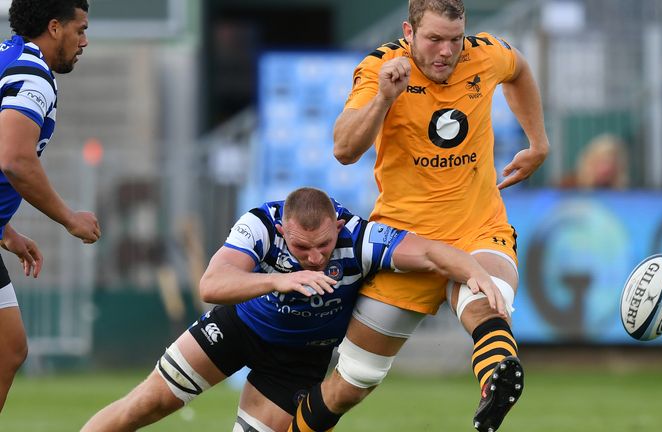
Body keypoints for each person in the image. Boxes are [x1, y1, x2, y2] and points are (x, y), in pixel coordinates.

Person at [290, 1, 549, 431]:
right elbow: (343, 150)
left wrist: (538, 142)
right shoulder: (382, 68)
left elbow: (518, 69)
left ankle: (495, 386)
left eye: (455, 38)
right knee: (351, 383)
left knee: (485, 301)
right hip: (404, 245)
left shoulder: (484, 54)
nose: (447, 51)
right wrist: (383, 100)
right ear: (408, 33)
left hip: (478, 229)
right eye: (434, 39)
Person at [81, 187, 506, 432]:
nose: (315, 258)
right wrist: (280, 279)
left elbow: (430, 253)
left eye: (323, 245)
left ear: (336, 227)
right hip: (237, 330)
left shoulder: (359, 237)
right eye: (302, 248)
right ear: (284, 230)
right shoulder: (261, 225)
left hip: (298, 361)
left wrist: (474, 271)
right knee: (145, 405)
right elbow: (211, 284)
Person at [0, 0, 98, 412]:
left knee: (9, 347)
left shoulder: (9, 57)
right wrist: (69, 217)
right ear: (55, 27)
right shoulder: (31, 73)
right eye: (80, 29)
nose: (85, 41)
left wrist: (6, 231)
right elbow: (15, 159)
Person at [559, 133, 629, 189]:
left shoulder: (619, 193)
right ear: (589, 162)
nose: (606, 168)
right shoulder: (569, 186)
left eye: (612, 163)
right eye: (601, 162)